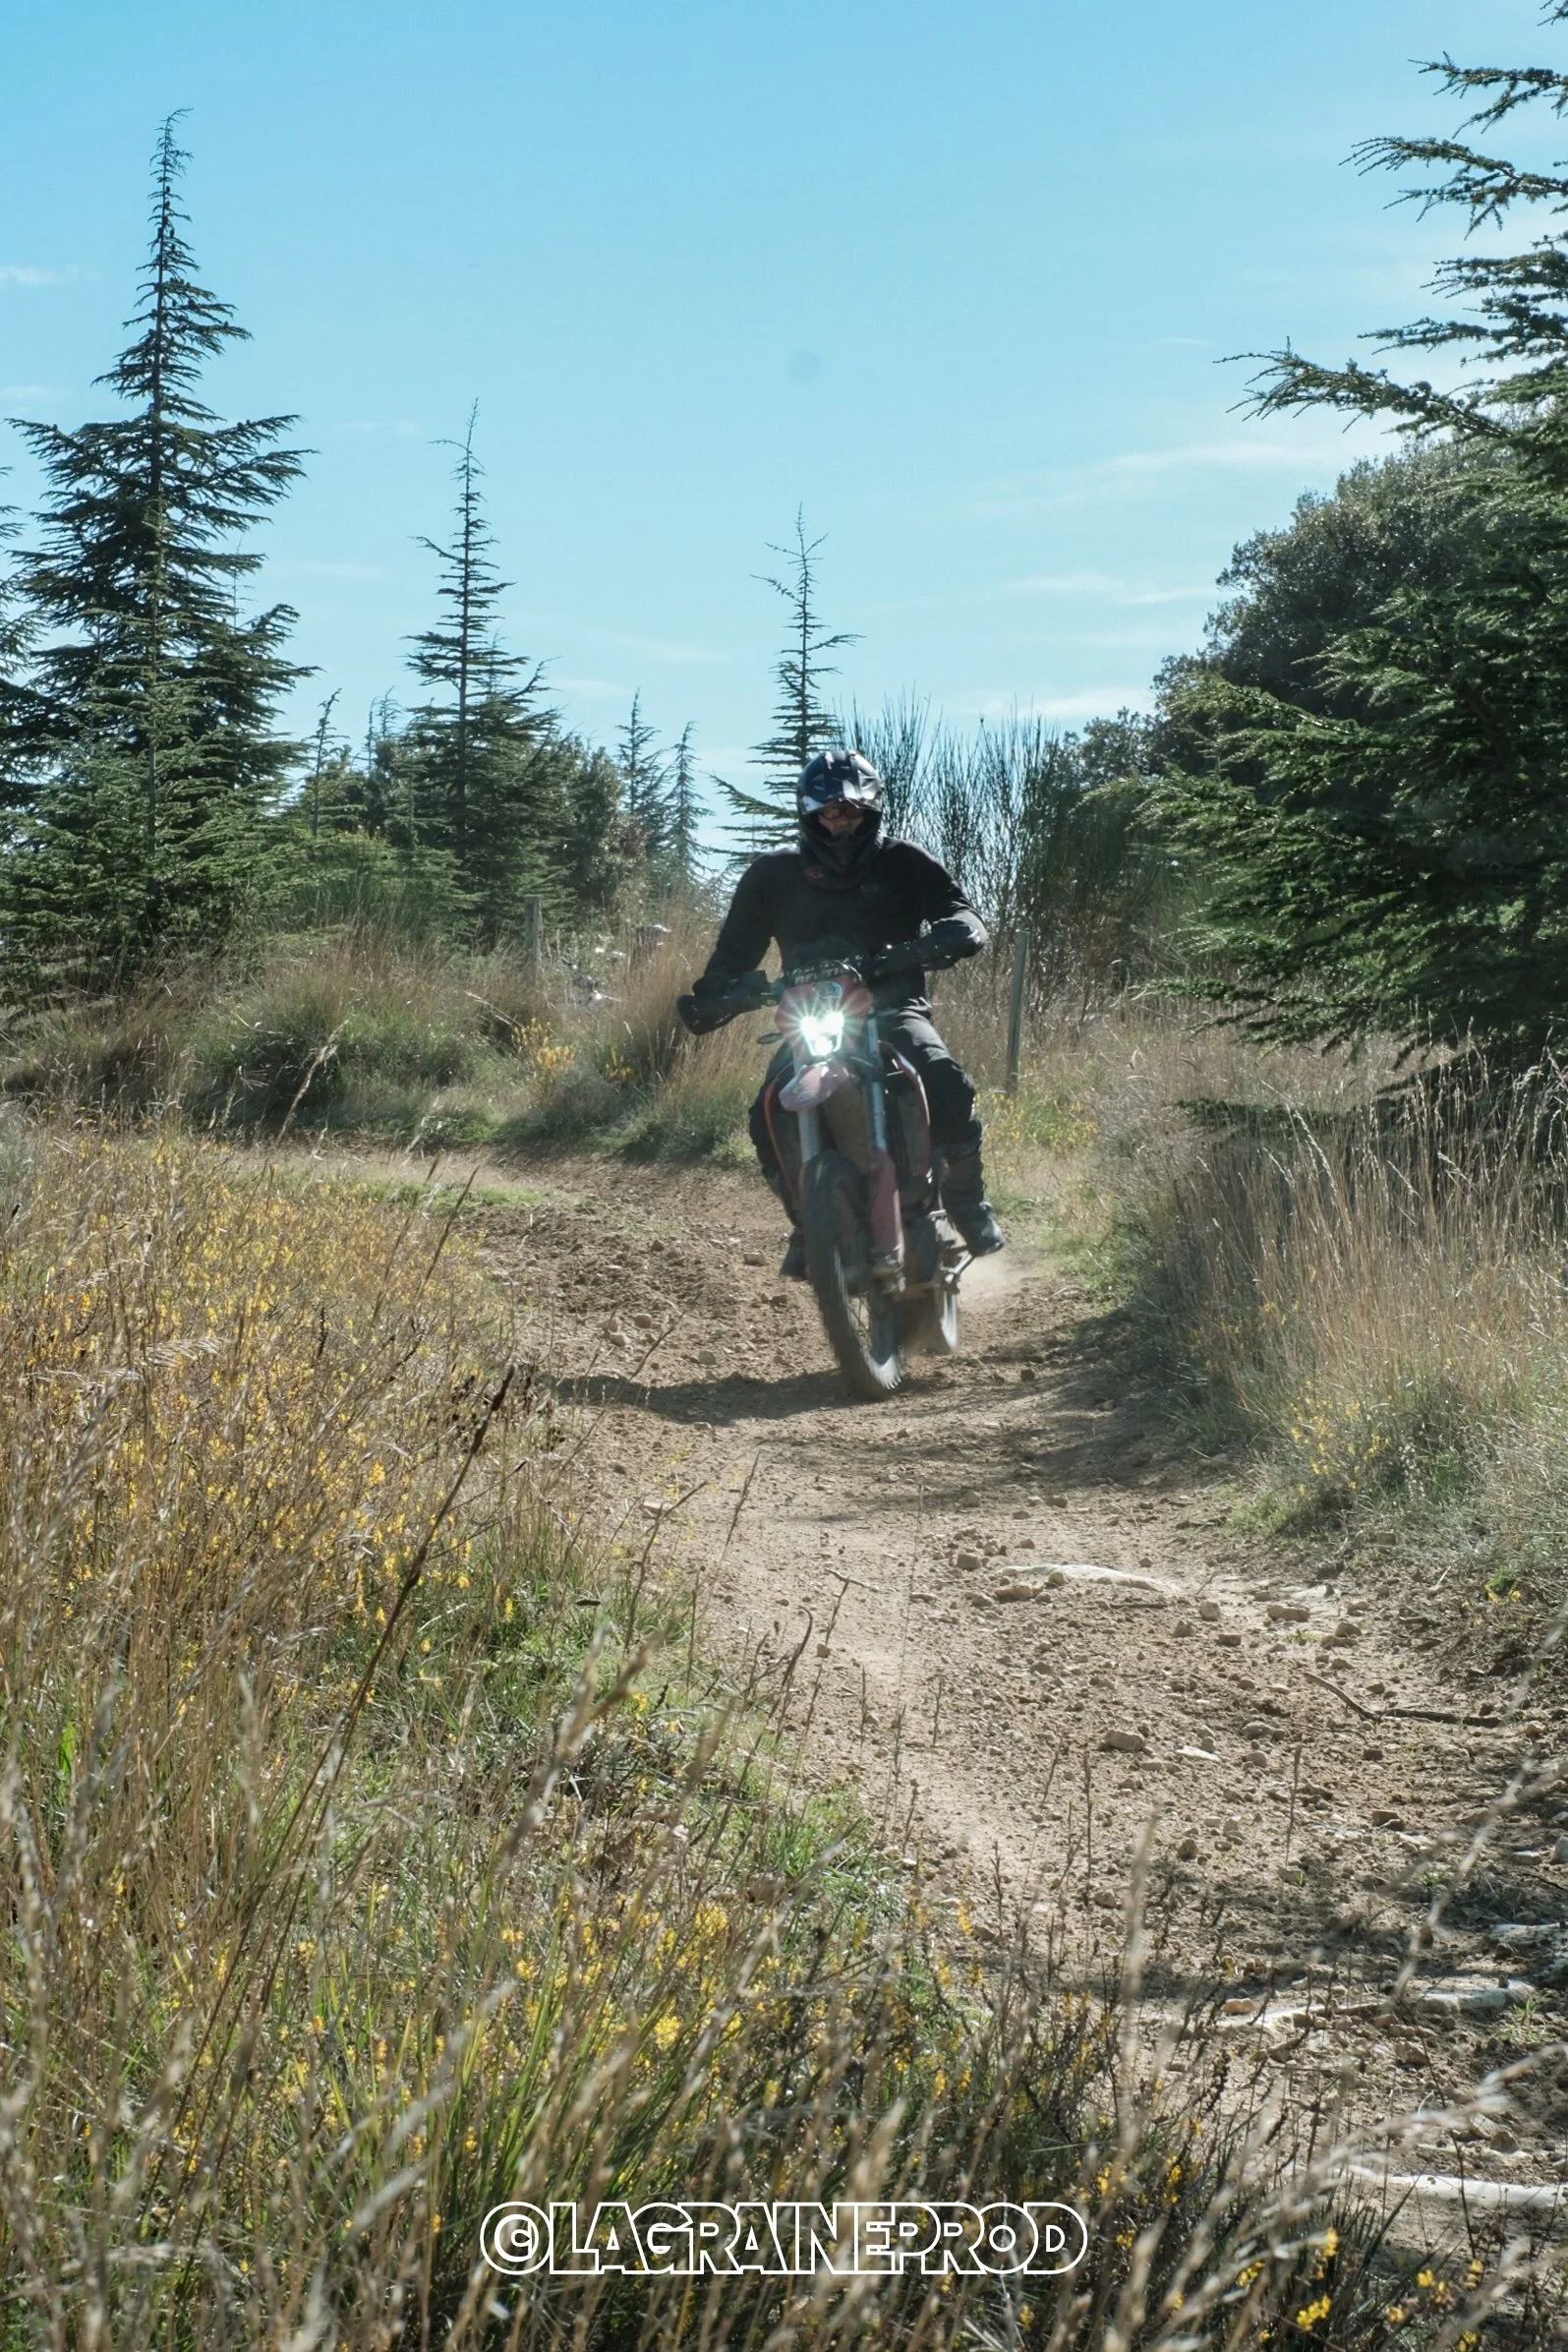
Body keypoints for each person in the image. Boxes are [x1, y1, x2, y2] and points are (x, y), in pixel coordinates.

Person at [677, 747, 1004, 1279]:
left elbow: (960, 912)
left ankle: (968, 1203)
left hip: (892, 1009)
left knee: (944, 1079)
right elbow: (733, 953)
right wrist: (718, 993)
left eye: (851, 813)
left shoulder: (903, 862)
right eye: (829, 814)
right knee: (766, 1111)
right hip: (811, 1017)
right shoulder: (772, 875)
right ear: (809, 817)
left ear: (870, 813)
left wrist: (945, 936)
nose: (841, 824)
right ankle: (810, 1223)